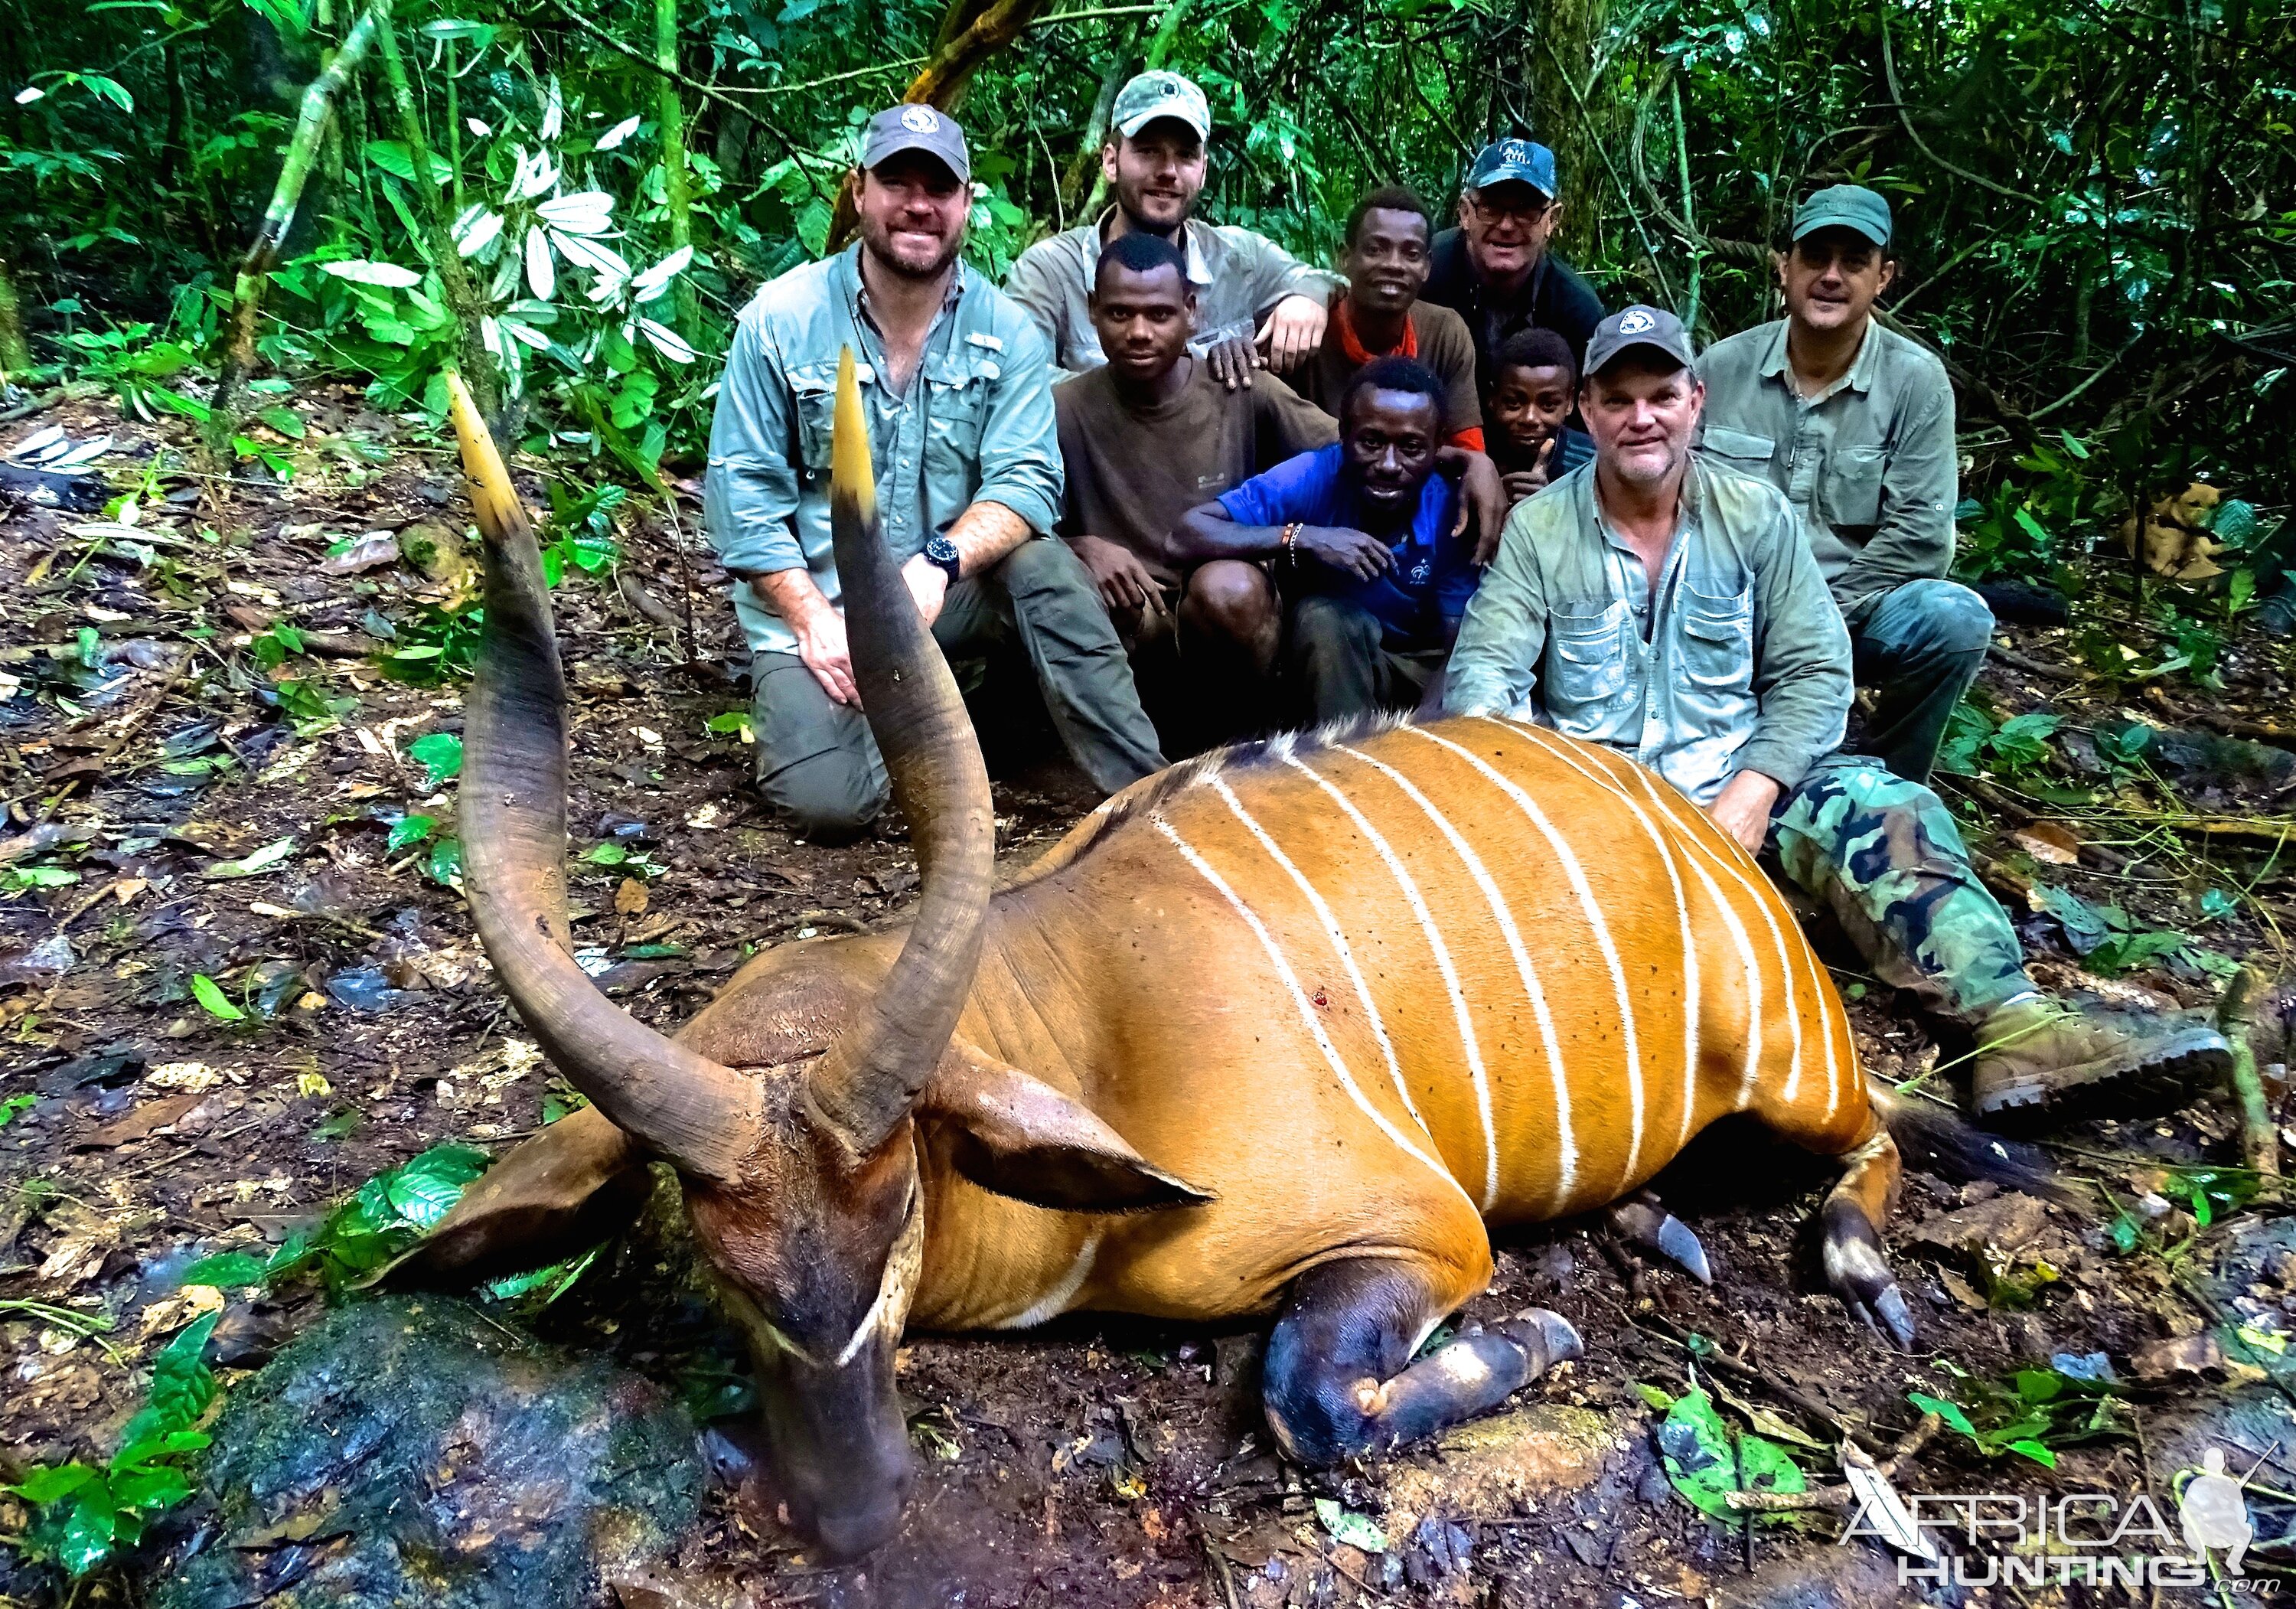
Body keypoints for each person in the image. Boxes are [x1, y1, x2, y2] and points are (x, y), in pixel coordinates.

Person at [1446, 305, 2231, 1124]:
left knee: (1891, 807)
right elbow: (1483, 680)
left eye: (1661, 395)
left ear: (1696, 401)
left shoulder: (1755, 515)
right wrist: (1560, 799)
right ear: (1588, 412)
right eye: (1618, 400)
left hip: (1738, 783)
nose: (1641, 417)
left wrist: (1753, 789)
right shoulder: (1540, 529)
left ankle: (2012, 1026)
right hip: (1601, 806)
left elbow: (1818, 670)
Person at [705, 103, 1164, 840]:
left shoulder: (1004, 328)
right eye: (897, 183)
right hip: (825, 613)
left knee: (1044, 565)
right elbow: (743, 504)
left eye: (939, 187)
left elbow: (1026, 484)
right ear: (859, 192)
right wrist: (814, 621)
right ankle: (912, 720)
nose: (918, 205)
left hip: (941, 598)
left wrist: (938, 564)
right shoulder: (780, 321)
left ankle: (1149, 798)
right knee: (830, 805)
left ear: (966, 204)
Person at [1695, 184, 1988, 786]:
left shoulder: (1916, 383)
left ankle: (1889, 783)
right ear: (1784, 268)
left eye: (1853, 263)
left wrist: (1817, 619)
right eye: (1815, 257)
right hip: (1727, 611)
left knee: (1955, 619)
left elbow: (1923, 534)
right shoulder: (1719, 369)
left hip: (1849, 609)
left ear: (1884, 277)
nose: (1831, 276)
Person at [1053, 230, 1339, 748]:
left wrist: (1465, 462)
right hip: (1133, 616)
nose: (1139, 332)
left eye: (1159, 315)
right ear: (1093, 311)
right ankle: (1137, 748)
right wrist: (1079, 547)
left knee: (1228, 589)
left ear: (1191, 311)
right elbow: (1012, 514)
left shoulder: (1236, 386)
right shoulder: (1064, 408)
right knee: (1082, 597)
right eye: (1119, 314)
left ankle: (1242, 738)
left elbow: (1353, 453)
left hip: (1225, 619)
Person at [1176, 358, 1477, 727]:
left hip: (1417, 671)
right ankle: (1340, 763)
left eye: (1411, 447)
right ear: (1344, 433)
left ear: (1438, 447)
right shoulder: (1314, 474)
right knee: (1322, 617)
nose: (1388, 464)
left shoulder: (1450, 508)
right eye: (1370, 442)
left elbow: (1459, 647)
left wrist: (1423, 731)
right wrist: (1302, 537)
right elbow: (1185, 535)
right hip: (1331, 665)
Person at [1006, 71, 1335, 382]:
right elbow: (1020, 384)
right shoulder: (1050, 272)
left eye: (1186, 156)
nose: (1168, 171)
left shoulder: (1237, 259)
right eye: (1148, 151)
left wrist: (1306, 299)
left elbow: (1329, 282)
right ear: (1111, 161)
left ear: (1203, 171)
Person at [1293, 186, 1482, 450]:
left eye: (1411, 254)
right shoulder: (1306, 326)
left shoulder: (1444, 332)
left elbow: (1469, 451)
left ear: (1426, 267)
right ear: (1346, 258)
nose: (1394, 264)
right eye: (1375, 249)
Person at [1420, 137, 1606, 400]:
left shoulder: (1576, 310)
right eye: (1491, 208)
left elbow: (1591, 415)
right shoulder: (1422, 273)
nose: (1507, 226)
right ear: (1465, 213)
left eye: (1525, 211)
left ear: (1551, 220)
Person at [1486, 327, 1593, 514]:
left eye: (1548, 405)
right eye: (1513, 403)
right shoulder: (1476, 457)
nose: (1530, 419)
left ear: (1569, 402)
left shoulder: (1591, 463)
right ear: (1493, 399)